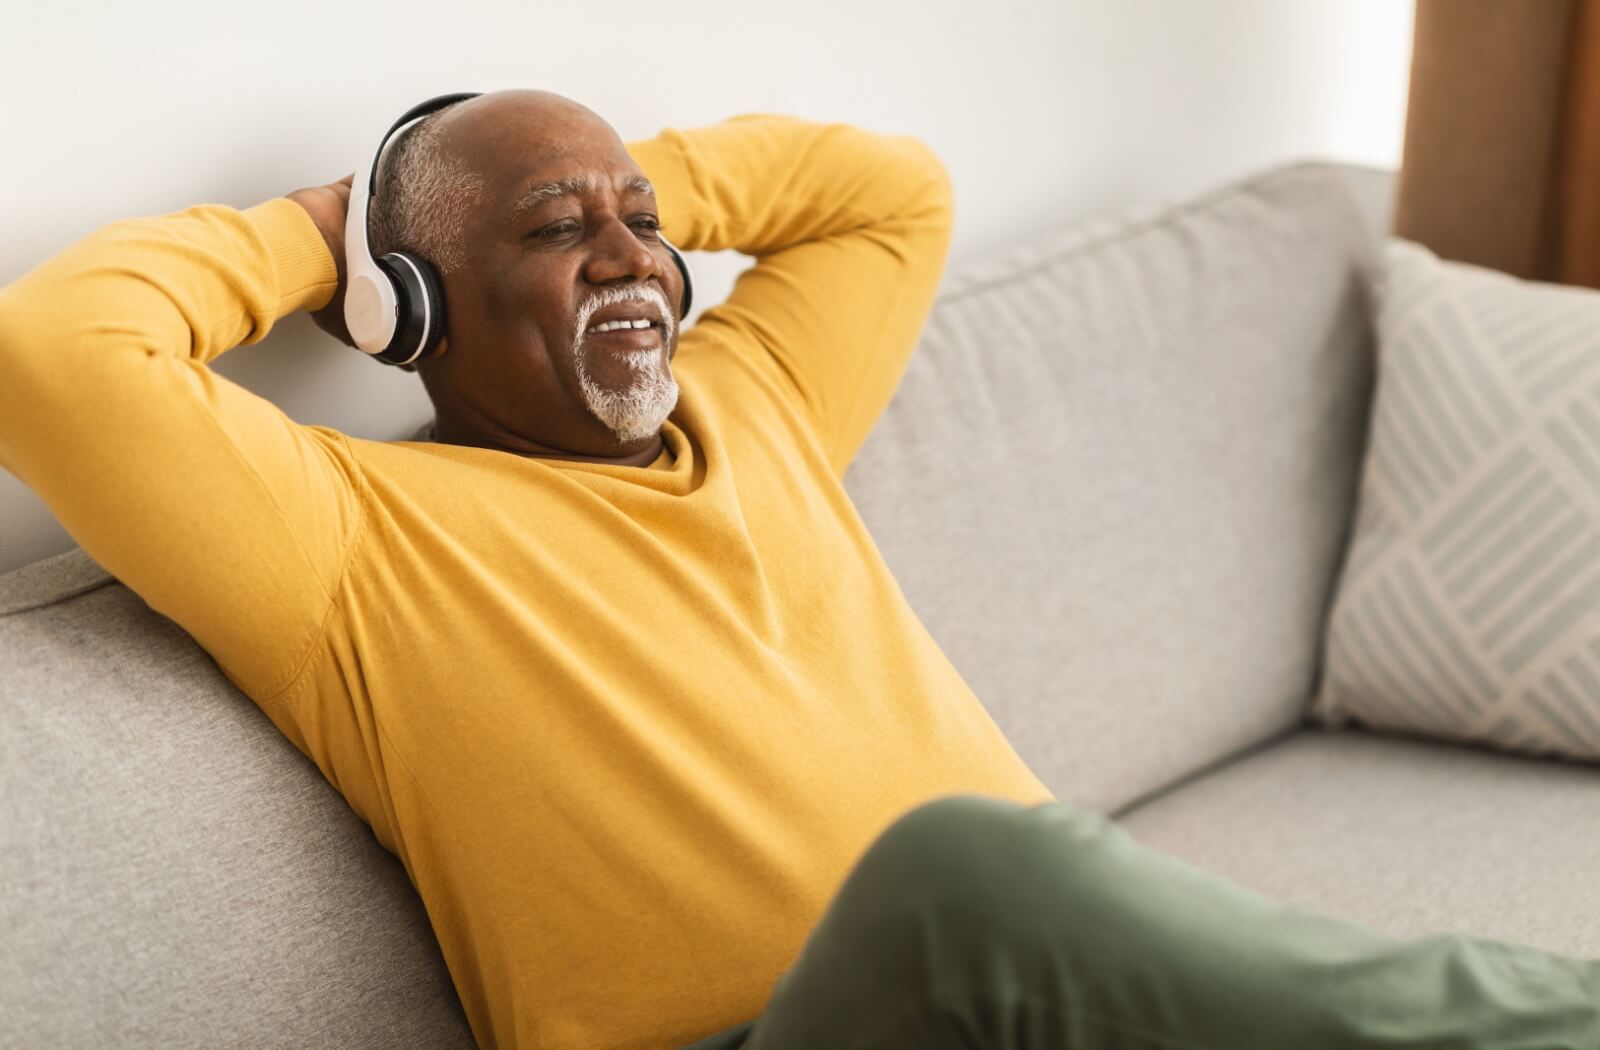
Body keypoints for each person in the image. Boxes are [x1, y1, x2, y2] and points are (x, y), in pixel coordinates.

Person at [0, 88, 1594, 1050]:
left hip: (1032, 1006)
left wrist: (631, 190)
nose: (635, 259)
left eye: (645, 225)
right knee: (972, 871)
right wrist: (317, 233)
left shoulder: (749, 405)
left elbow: (891, 195)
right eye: (560, 232)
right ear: (411, 308)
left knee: (1043, 902)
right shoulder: (350, 539)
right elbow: (52, 354)